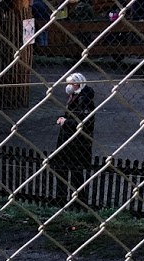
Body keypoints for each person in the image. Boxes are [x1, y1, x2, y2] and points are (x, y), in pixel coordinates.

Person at [52, 72, 97, 207]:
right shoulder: (76, 96)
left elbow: (83, 122)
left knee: (74, 172)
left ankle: (76, 200)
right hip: (71, 139)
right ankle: (71, 199)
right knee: (67, 170)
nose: (68, 86)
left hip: (77, 141)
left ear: (77, 84)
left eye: (70, 83)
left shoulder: (84, 100)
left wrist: (66, 122)